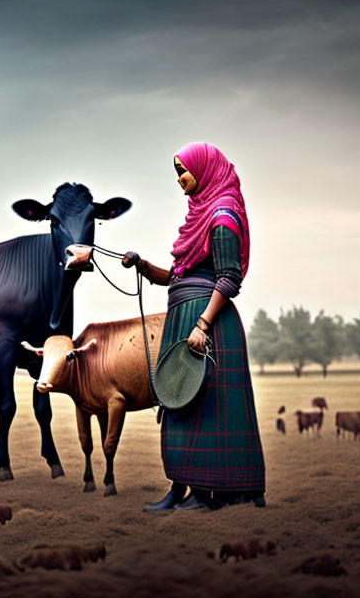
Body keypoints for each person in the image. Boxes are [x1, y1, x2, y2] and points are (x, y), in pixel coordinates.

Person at [122, 142, 265, 511]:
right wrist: (142, 266)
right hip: (182, 318)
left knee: (206, 409)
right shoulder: (199, 216)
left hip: (206, 324)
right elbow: (175, 276)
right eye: (176, 173)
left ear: (205, 170)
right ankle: (179, 488)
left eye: (183, 171)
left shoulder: (221, 218)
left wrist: (202, 324)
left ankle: (208, 493)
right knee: (179, 403)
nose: (180, 180)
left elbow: (229, 278)